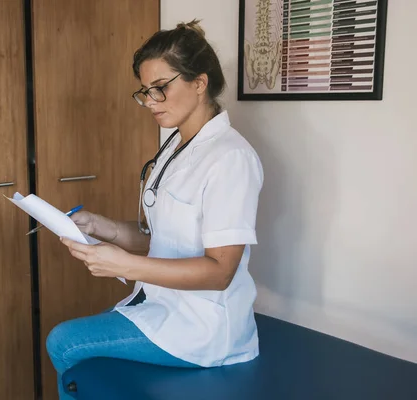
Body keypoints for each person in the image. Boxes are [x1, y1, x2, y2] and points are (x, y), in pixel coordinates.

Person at [46, 19, 264, 399]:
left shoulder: (230, 158)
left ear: (199, 83)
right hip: (161, 307)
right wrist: (100, 226)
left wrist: (123, 266)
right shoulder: (173, 148)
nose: (149, 102)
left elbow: (220, 273)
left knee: (64, 342)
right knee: (78, 354)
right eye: (145, 92)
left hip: (203, 327)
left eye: (160, 89)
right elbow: (157, 239)